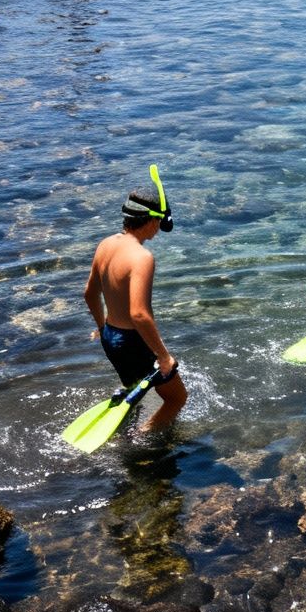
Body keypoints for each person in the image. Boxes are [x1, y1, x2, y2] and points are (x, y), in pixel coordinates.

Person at [82, 182, 188, 432]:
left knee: (134, 387)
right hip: (132, 342)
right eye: (159, 223)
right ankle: (143, 438)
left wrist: (103, 327)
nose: (159, 231)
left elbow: (89, 294)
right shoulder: (142, 258)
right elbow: (139, 314)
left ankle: (126, 429)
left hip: (111, 337)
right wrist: (163, 356)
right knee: (177, 398)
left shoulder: (106, 244)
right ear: (151, 221)